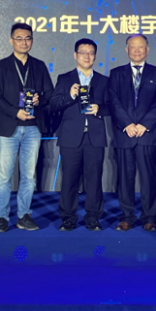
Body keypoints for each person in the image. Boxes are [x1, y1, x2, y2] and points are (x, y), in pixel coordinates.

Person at [0, 22, 53, 233]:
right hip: (9, 126)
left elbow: (49, 94)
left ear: (32, 41)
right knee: (4, 177)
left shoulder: (39, 66)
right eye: (19, 38)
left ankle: (24, 215)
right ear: (11, 41)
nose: (24, 42)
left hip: (33, 127)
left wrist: (39, 99)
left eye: (28, 38)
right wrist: (15, 111)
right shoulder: (1, 66)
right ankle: (2, 217)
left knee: (28, 176)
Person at [49, 38, 110, 232]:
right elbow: (53, 105)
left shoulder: (103, 81)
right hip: (70, 137)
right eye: (83, 52)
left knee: (94, 180)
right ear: (75, 55)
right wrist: (70, 96)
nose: (87, 56)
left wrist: (100, 109)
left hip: (95, 137)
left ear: (95, 56)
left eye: (91, 53)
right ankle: (68, 218)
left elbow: (112, 107)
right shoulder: (64, 79)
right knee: (69, 180)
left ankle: (93, 217)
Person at [108, 34, 156, 232]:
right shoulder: (116, 73)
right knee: (125, 178)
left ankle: (150, 217)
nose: (137, 50)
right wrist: (127, 124)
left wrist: (144, 125)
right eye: (133, 47)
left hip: (147, 134)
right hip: (125, 133)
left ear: (147, 49)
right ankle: (126, 217)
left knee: (149, 178)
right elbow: (113, 101)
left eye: (141, 47)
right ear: (127, 50)